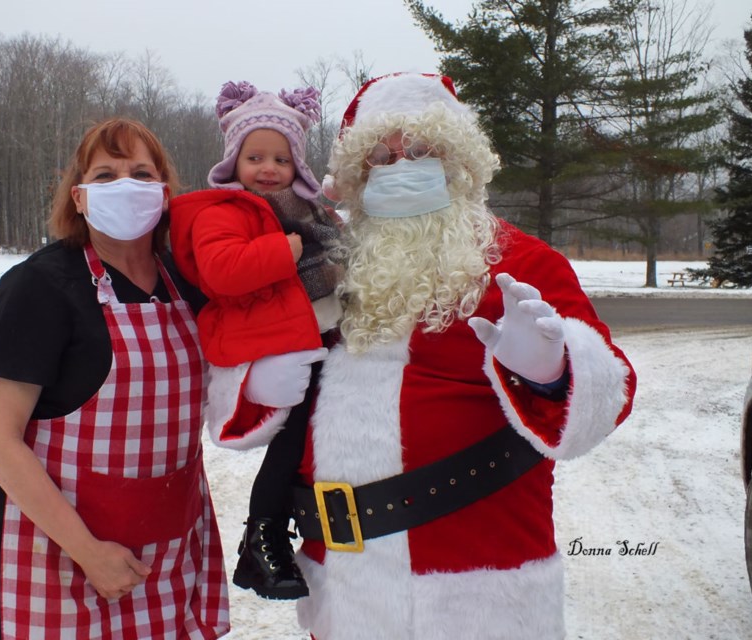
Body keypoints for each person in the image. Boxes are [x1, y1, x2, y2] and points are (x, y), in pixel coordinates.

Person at [203, 73, 637, 639]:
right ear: (357, 178)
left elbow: (613, 391)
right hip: (344, 589)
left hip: (480, 587)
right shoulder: (323, 265)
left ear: (459, 163)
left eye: (424, 150)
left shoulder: (519, 261)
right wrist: (258, 385)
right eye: (382, 155)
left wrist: (554, 374)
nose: (402, 165)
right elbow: (240, 377)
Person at [0, 117, 229, 639]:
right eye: (106, 176)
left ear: (163, 192)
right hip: (55, 552)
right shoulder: (39, 288)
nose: (125, 186)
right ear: (80, 197)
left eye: (140, 172)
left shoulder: (187, 282)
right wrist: (88, 552)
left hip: (167, 547)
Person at [169, 81, 345, 600]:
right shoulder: (225, 210)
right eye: (255, 157)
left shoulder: (313, 211)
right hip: (281, 347)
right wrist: (280, 252)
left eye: (280, 158)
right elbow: (221, 272)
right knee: (290, 442)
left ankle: (299, 531)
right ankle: (263, 535)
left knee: (320, 441)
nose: (268, 169)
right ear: (233, 162)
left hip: (325, 339)